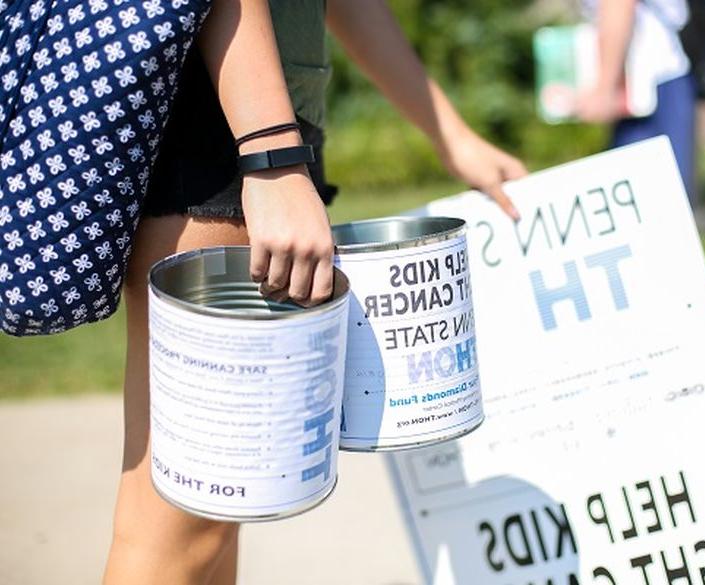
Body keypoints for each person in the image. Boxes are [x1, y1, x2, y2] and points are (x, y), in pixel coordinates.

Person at [101, 1, 527, 583]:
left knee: (218, 524)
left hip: (256, 116)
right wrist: (271, 154)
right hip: (231, 118)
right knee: (184, 529)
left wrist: (451, 137)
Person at [575, 0, 697, 204]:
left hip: (650, 81)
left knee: (653, 202)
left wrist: (605, 88)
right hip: (653, 78)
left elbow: (618, 6)